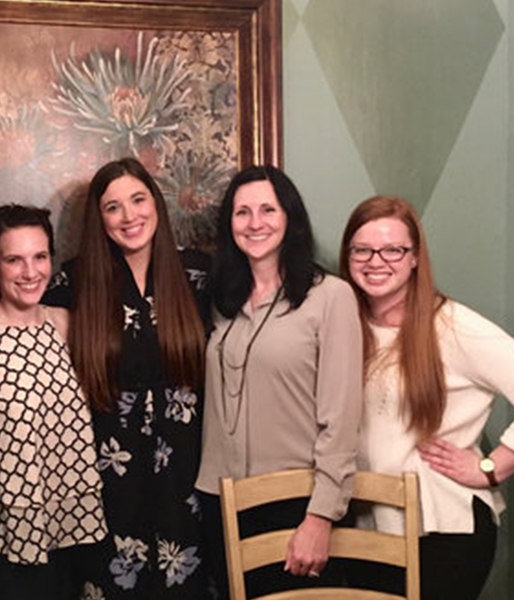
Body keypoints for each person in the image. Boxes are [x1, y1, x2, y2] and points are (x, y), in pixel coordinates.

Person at [339, 195, 514, 600]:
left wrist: (490, 467)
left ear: (415, 258)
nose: (377, 260)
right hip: (364, 529)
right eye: (362, 249)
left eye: (393, 249)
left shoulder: (452, 325)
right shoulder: (343, 325)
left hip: (443, 531)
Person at [43, 157, 210, 599]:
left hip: (188, 470)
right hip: (105, 474)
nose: (129, 215)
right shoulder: (74, 281)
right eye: (112, 207)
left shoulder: (198, 274)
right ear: (99, 219)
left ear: (156, 202)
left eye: (138, 199)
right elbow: (17, 336)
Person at [195, 165, 363, 598]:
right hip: (221, 498)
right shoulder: (222, 302)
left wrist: (321, 516)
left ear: (290, 218)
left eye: (268, 209)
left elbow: (341, 419)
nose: (255, 223)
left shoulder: (330, 297)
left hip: (295, 502)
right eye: (242, 212)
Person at [0, 205, 107, 599]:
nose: (30, 271)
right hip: (8, 531)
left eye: (40, 256)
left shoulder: (67, 323)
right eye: (14, 260)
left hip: (75, 521)